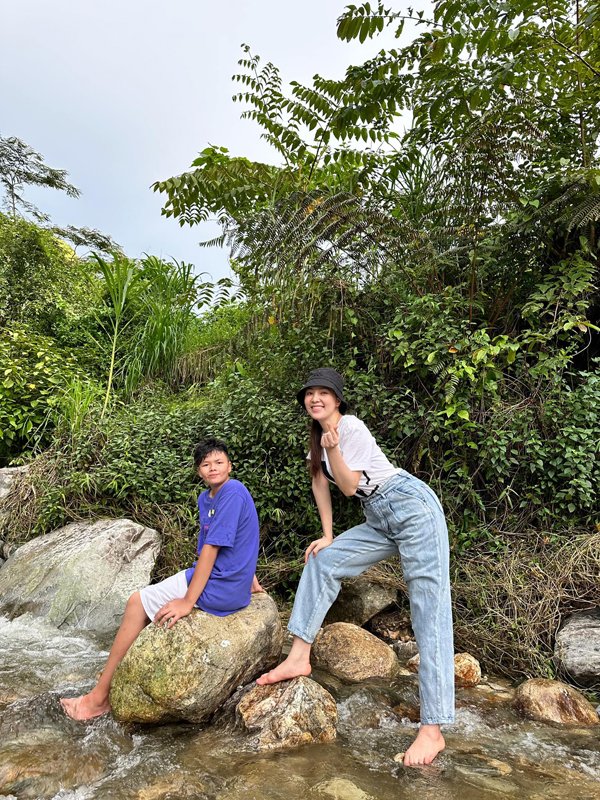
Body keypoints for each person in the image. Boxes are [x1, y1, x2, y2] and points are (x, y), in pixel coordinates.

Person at [257, 368, 454, 766]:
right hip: (379, 516)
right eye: (309, 394)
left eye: (322, 393)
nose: (315, 399)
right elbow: (320, 484)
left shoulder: (352, 429)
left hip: (411, 508)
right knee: (322, 560)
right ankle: (299, 655)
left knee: (429, 612)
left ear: (337, 399)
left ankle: (432, 730)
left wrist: (333, 449)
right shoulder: (317, 440)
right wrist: (328, 535)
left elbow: (347, 485)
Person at [61, 437, 263, 721]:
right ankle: (115, 679)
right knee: (147, 602)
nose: (213, 468)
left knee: (136, 603)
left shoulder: (232, 490)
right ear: (199, 472)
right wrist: (249, 579)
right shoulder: (207, 498)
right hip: (230, 585)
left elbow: (212, 549)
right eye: (206, 464)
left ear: (230, 465)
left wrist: (187, 601)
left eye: (219, 462)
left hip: (218, 587)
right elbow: (235, 537)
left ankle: (98, 699)